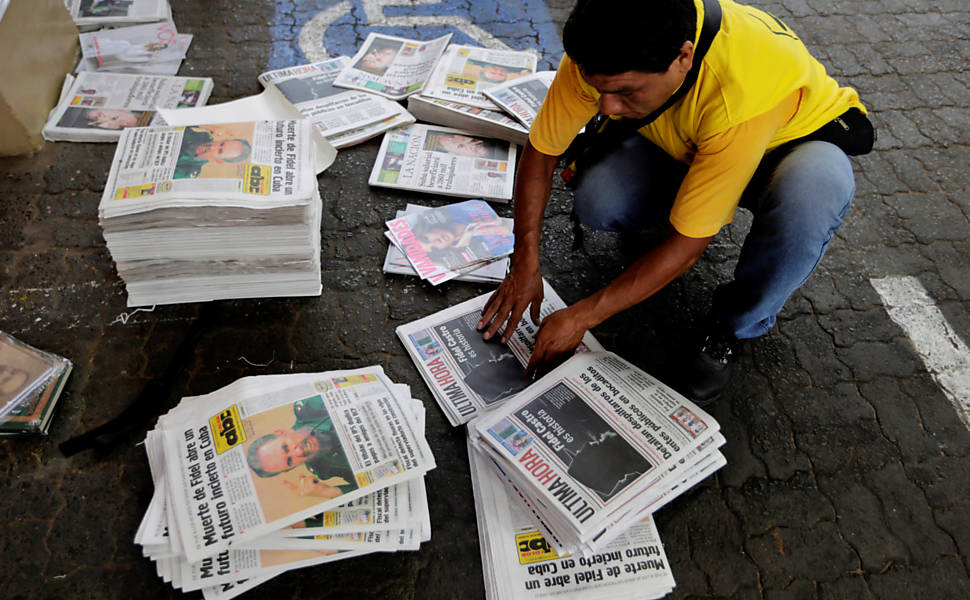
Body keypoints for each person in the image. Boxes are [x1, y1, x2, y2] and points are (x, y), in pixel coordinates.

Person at [477, 0, 873, 404]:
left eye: (624, 93)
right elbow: (541, 153)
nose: (607, 107)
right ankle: (666, 220)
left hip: (784, 148)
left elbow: (689, 246)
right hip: (690, 142)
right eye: (600, 91)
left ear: (683, 57)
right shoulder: (604, 46)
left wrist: (582, 316)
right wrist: (524, 259)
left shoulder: (739, 89)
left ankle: (733, 326)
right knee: (601, 198)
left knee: (811, 199)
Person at [246, 396, 358, 498]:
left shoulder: (309, 406)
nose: (299, 452)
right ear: (290, 468)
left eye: (285, 447)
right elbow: (369, 481)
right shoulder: (323, 470)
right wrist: (330, 492)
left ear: (282, 432)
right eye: (290, 461)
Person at [173, 126, 252, 179]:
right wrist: (208, 126)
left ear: (218, 160)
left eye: (219, 151)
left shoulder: (189, 171)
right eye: (221, 143)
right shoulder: (205, 134)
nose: (212, 147)